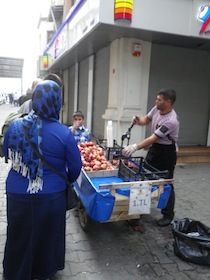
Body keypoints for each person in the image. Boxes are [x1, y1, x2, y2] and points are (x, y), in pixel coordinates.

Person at [2, 80, 82, 279]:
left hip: (17, 192)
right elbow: (75, 168)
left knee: (19, 234)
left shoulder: (15, 126)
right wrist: (65, 181)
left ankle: (16, 272)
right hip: (51, 196)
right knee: (47, 237)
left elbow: (6, 152)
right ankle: (43, 271)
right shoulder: (64, 133)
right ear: (57, 102)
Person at [122, 88, 179, 227]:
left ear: (168, 102)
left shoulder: (171, 121)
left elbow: (153, 138)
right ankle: (138, 210)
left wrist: (135, 147)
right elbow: (146, 120)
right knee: (143, 178)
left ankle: (168, 214)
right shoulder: (156, 109)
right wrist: (137, 120)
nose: (156, 101)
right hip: (156, 149)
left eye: (159, 99)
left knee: (166, 183)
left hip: (167, 152)